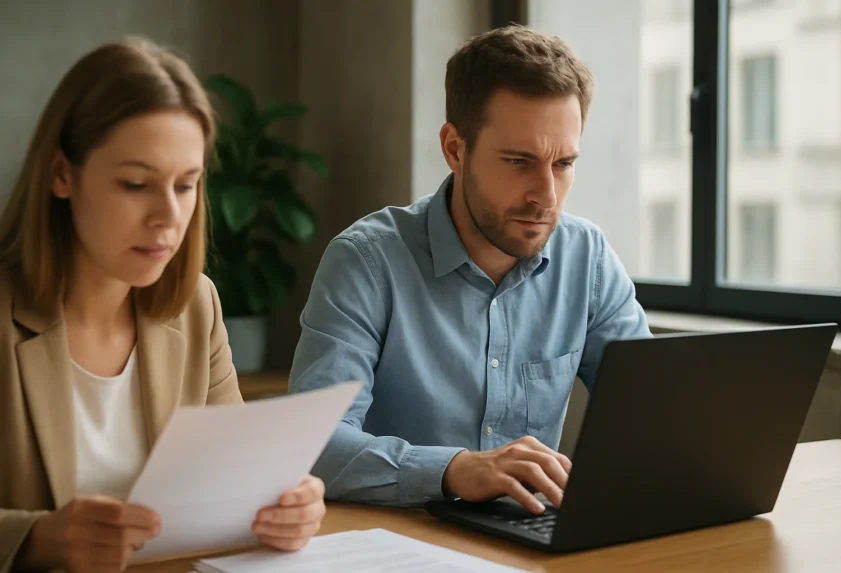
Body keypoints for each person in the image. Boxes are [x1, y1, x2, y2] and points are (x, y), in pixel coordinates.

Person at [288, 24, 652, 515]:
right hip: (399, 537)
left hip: (527, 535)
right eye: (519, 161)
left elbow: (654, 414)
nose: (546, 196)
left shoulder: (587, 258)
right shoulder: (366, 262)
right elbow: (313, 444)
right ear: (455, 149)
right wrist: (453, 469)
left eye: (563, 164)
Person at [0, 38, 325, 573]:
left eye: (187, 185)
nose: (169, 216)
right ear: (61, 174)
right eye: (136, 184)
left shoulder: (197, 306)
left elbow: (240, 481)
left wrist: (286, 506)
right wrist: (38, 539)